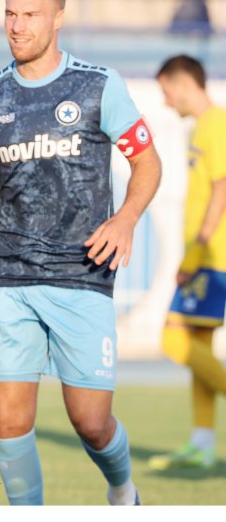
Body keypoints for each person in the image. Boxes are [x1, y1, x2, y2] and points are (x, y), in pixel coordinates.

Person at [0, 0, 162, 505]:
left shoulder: (98, 86)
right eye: (10, 13)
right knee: (8, 419)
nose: (17, 25)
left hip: (83, 272)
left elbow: (147, 163)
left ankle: (123, 490)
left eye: (30, 14)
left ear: (57, 18)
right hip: (11, 273)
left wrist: (125, 219)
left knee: (91, 422)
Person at [149, 54, 226, 471]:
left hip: (212, 255)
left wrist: (196, 252)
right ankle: (203, 443)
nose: (165, 101)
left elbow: (222, 189)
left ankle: (203, 442)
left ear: (182, 85)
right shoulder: (202, 126)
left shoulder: (216, 124)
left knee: (172, 337)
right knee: (199, 346)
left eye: (166, 92)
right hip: (206, 253)